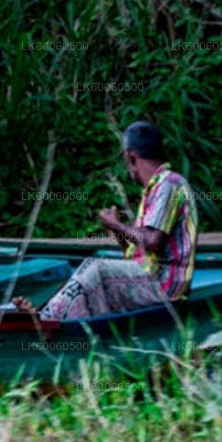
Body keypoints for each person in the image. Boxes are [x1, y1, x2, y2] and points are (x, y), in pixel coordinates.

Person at [16, 121, 198, 319]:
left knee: (95, 268)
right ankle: (42, 314)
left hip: (165, 284)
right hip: (151, 277)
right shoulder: (155, 188)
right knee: (81, 278)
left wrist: (116, 224)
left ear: (130, 156)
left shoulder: (169, 184)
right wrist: (118, 231)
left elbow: (153, 241)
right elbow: (137, 255)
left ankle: (44, 321)